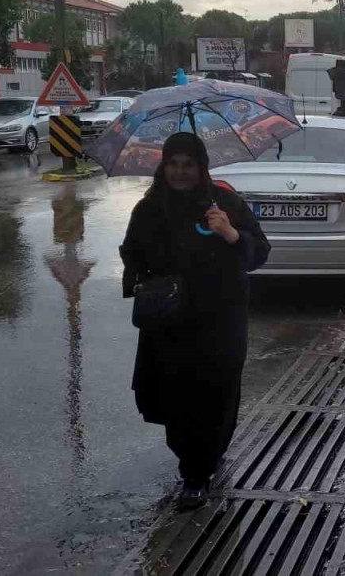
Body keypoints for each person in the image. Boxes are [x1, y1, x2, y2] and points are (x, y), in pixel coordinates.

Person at [120, 132, 270, 510]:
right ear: (163, 166)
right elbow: (131, 252)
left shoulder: (226, 203)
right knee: (176, 395)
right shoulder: (150, 208)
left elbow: (259, 253)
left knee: (215, 394)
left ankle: (198, 472)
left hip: (219, 320)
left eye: (188, 165)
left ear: (201, 168)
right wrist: (146, 273)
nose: (180, 172)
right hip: (171, 322)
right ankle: (193, 464)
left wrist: (230, 234)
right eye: (173, 164)